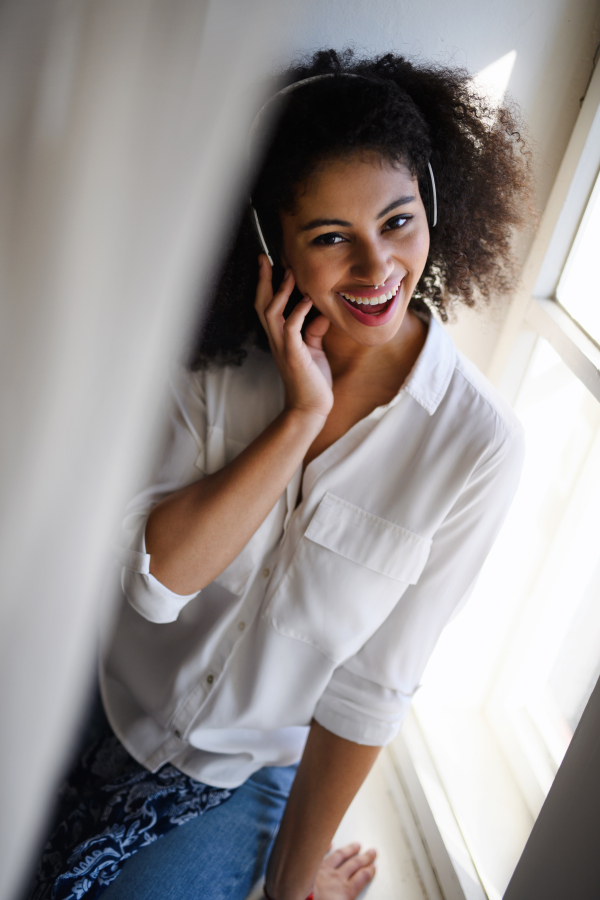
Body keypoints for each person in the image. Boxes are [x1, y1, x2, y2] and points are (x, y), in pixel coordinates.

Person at [30, 48, 532, 900]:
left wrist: (291, 887)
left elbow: (370, 693)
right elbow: (159, 584)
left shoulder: (477, 447)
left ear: (435, 206)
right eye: (331, 238)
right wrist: (298, 420)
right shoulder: (213, 365)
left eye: (399, 222)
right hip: (97, 695)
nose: (377, 270)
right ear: (272, 245)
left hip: (238, 778)